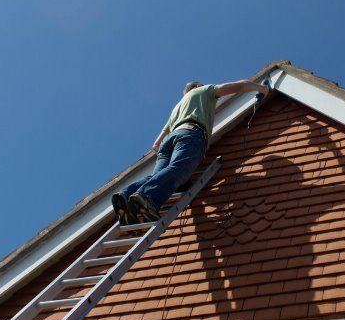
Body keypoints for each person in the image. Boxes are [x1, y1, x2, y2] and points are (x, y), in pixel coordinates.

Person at [112, 78, 270, 225]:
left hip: (169, 140)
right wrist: (261, 88)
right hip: (190, 134)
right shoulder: (203, 91)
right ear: (198, 86)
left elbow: (156, 143)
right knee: (179, 169)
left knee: (156, 176)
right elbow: (238, 86)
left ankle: (125, 195)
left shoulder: (178, 106)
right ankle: (146, 197)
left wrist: (160, 146)